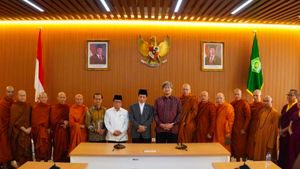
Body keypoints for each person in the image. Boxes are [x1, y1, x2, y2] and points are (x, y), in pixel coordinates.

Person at [9, 90, 32, 167]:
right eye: (21, 95)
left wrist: (30, 128)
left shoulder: (28, 106)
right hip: (18, 133)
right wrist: (24, 129)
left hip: (28, 133)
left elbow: (32, 118)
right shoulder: (14, 106)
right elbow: (14, 121)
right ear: (17, 96)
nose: (23, 97)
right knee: (20, 153)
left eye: (24, 95)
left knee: (28, 152)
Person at [253, 96, 280, 161]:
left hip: (267, 140)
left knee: (266, 160)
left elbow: (275, 130)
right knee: (257, 158)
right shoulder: (261, 111)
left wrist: (270, 144)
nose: (265, 103)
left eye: (267, 101)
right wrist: (256, 136)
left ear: (271, 102)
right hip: (259, 138)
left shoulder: (275, 113)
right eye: (264, 101)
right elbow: (258, 125)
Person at [279, 89, 299, 169]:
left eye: (291, 95)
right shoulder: (285, 106)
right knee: (282, 153)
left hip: (291, 135)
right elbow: (281, 119)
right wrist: (280, 130)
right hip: (282, 134)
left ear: (296, 97)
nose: (289, 96)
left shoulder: (297, 107)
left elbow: (292, 124)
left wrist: (283, 131)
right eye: (288, 95)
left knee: (289, 154)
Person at [230, 88, 251, 161]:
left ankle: (242, 160)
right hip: (234, 128)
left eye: (238, 94)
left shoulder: (244, 103)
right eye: (235, 94)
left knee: (241, 146)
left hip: (241, 129)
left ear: (241, 94)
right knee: (234, 145)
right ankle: (236, 159)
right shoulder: (232, 103)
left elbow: (248, 117)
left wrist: (244, 129)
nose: (236, 95)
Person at [31, 92, 51, 161]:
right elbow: (34, 120)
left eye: (45, 97)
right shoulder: (35, 107)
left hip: (46, 130)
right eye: (42, 97)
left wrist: (49, 127)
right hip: (37, 131)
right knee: (39, 148)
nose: (44, 99)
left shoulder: (49, 107)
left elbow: (51, 118)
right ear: (39, 98)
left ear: (47, 98)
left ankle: (46, 161)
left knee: (47, 147)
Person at [50, 92, 69, 162]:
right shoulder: (54, 108)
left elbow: (71, 119)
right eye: (60, 97)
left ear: (66, 98)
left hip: (66, 132)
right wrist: (63, 122)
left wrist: (68, 123)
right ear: (57, 98)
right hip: (57, 132)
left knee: (66, 148)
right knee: (58, 148)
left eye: (63, 97)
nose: (62, 99)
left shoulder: (68, 107)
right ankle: (57, 162)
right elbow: (53, 120)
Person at [247, 89, 264, 160]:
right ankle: (250, 157)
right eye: (254, 95)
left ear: (260, 96)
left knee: (257, 144)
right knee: (250, 143)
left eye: (257, 95)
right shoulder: (250, 105)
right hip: (251, 127)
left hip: (259, 127)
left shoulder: (263, 106)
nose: (255, 97)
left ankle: (256, 158)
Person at [0, 86, 14, 169]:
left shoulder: (14, 103)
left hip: (11, 128)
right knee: (4, 146)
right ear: (5, 92)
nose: (10, 94)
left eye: (12, 92)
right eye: (9, 92)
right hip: (3, 128)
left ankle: (10, 163)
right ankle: (4, 163)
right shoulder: (1, 103)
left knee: (11, 146)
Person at [287, 95, 300, 169]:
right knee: (292, 156)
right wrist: (291, 134)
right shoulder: (294, 114)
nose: (299, 104)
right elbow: (290, 126)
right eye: (298, 102)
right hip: (293, 138)